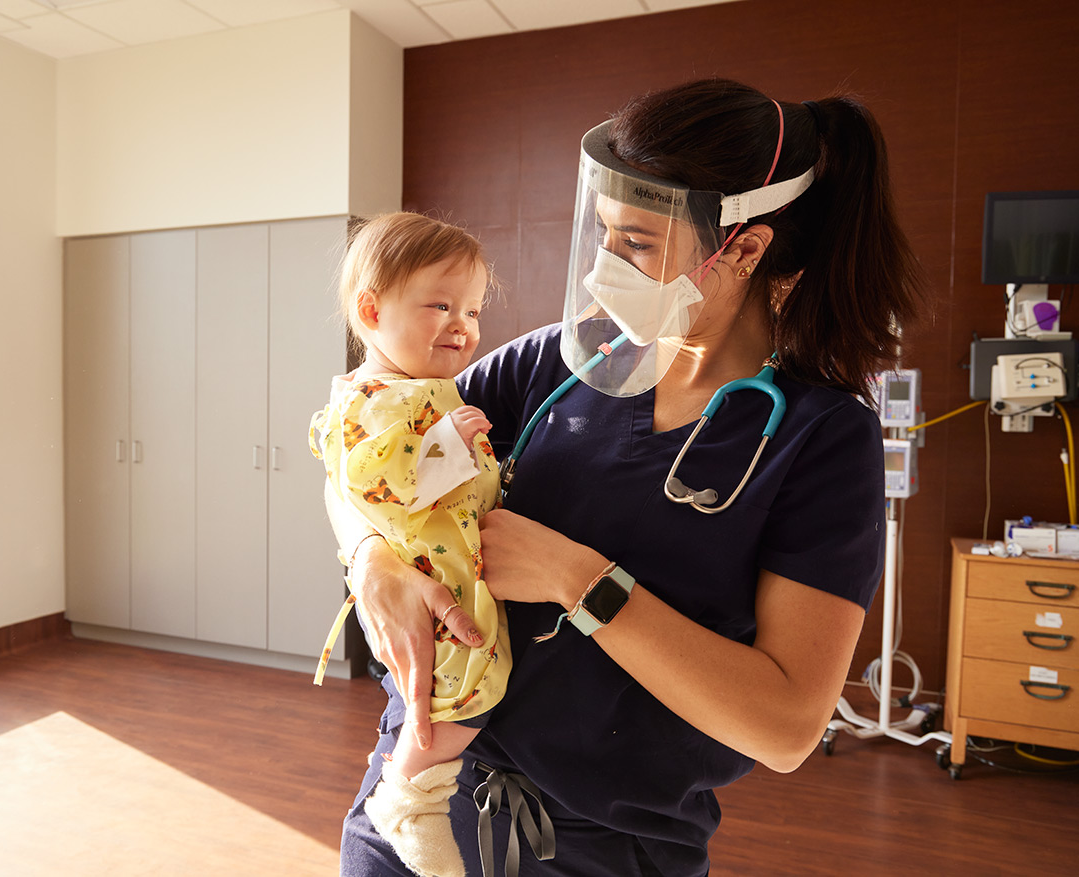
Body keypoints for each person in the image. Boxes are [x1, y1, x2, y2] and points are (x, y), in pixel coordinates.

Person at [337, 78, 928, 876]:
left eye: (638, 244)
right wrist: (368, 558)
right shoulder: (555, 364)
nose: (601, 272)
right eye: (605, 234)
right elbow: (365, 449)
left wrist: (576, 578)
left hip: (600, 849)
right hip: (415, 805)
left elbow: (787, 726)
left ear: (744, 249)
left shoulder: (818, 439)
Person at [310, 212, 512, 877]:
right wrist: (451, 444)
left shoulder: (424, 390)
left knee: (474, 692)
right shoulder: (372, 398)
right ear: (372, 310)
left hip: (457, 575)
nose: (465, 324)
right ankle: (410, 795)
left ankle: (413, 790)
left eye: (474, 309)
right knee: (460, 699)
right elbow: (378, 479)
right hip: (434, 586)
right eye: (442, 305)